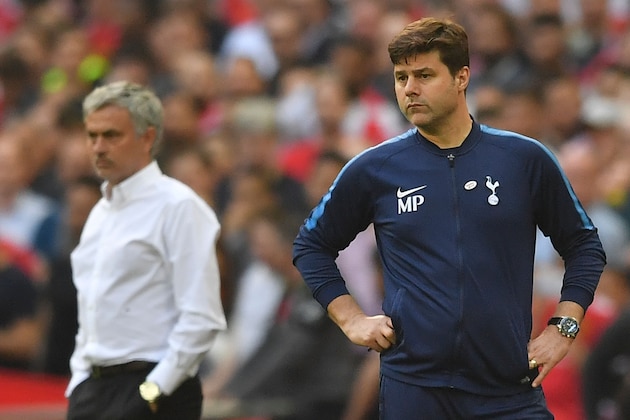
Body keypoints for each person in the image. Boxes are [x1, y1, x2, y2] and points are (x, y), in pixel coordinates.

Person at [292, 17, 606, 419]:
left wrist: (562, 328)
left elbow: (584, 246)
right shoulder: (375, 168)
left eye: (424, 75)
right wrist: (350, 318)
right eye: (401, 77)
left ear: (462, 77)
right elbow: (311, 245)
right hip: (415, 389)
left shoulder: (523, 159)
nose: (410, 89)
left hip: (508, 388)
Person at [65, 81, 227, 420]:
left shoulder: (179, 207)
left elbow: (202, 317)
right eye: (91, 135)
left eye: (111, 135)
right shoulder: (100, 212)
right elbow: (90, 307)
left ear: (148, 137)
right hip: (93, 391)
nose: (98, 147)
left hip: (154, 391)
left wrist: (154, 389)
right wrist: (80, 380)